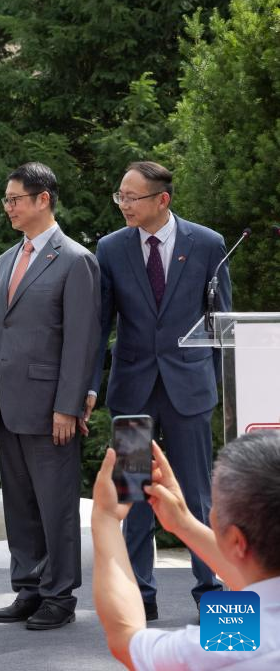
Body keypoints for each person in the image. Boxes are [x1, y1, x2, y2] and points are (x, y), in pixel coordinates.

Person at [88, 161, 231, 620]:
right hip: (133, 389)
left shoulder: (207, 244)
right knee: (133, 491)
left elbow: (221, 326)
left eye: (132, 197)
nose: (124, 205)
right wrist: (90, 387)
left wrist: (220, 386)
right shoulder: (110, 248)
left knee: (196, 493)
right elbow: (99, 325)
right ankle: (140, 595)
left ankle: (210, 589)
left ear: (162, 200)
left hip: (189, 390)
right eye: (120, 196)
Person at [0, 162, 101, 630]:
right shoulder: (6, 259)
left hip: (52, 407)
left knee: (55, 507)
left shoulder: (75, 260)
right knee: (20, 505)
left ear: (43, 199)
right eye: (7, 199)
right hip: (7, 405)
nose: (8, 207)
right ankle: (28, 589)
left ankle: (59, 596)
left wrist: (68, 406)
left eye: (15, 199)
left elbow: (81, 341)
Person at [93, 432, 280, 669]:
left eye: (216, 505)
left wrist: (106, 517)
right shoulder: (246, 632)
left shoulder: (233, 644)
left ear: (236, 540)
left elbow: (124, 638)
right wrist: (183, 524)